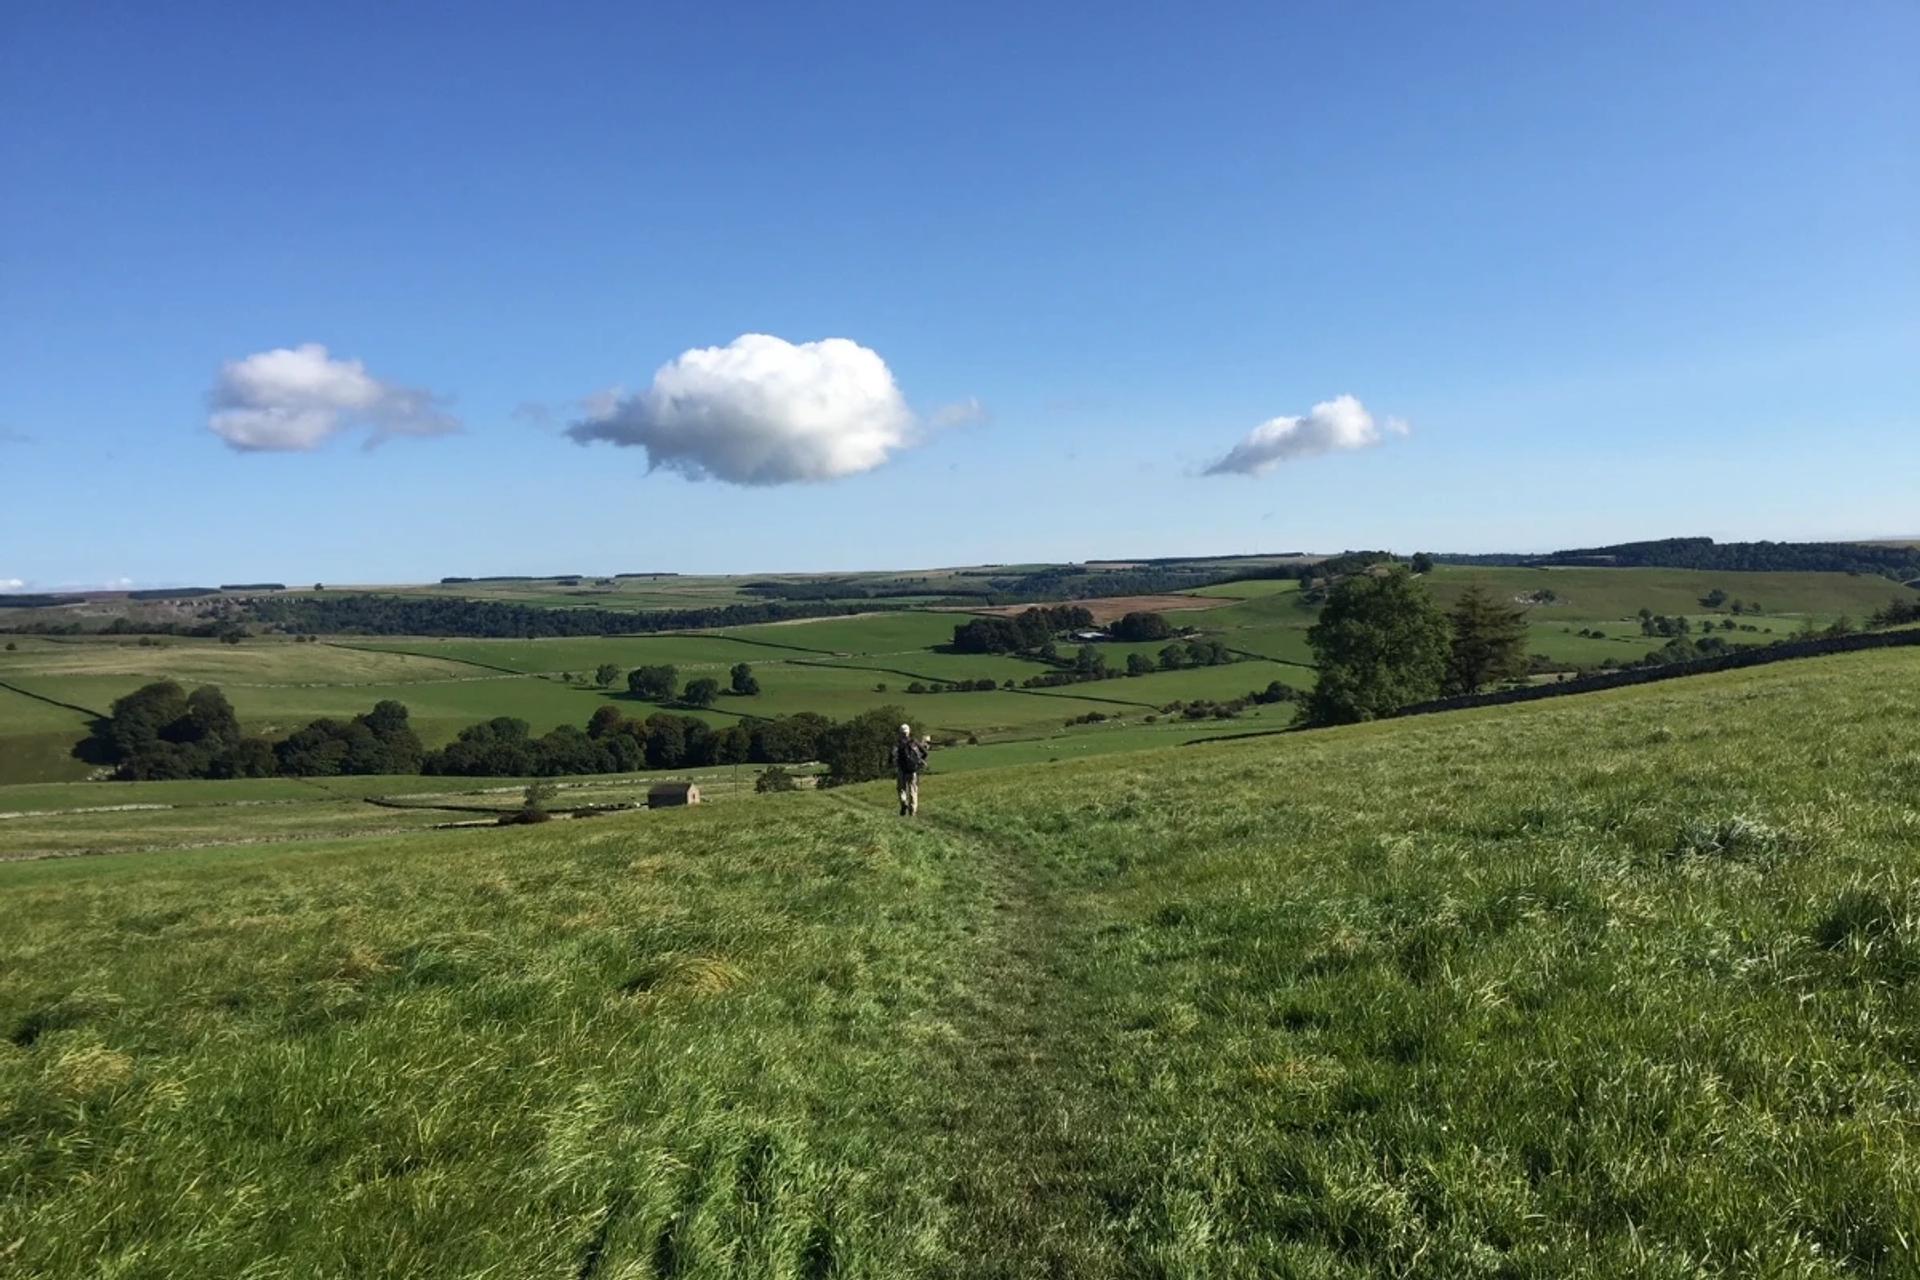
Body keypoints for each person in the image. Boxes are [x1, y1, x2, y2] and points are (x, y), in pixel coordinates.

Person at [891, 723, 929, 816]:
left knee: (901, 789)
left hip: (902, 770)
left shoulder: (898, 743)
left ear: (900, 732)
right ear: (909, 732)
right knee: (913, 790)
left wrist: (891, 763)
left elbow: (892, 755)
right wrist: (920, 761)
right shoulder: (914, 741)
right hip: (913, 770)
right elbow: (925, 753)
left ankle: (904, 802)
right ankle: (912, 811)